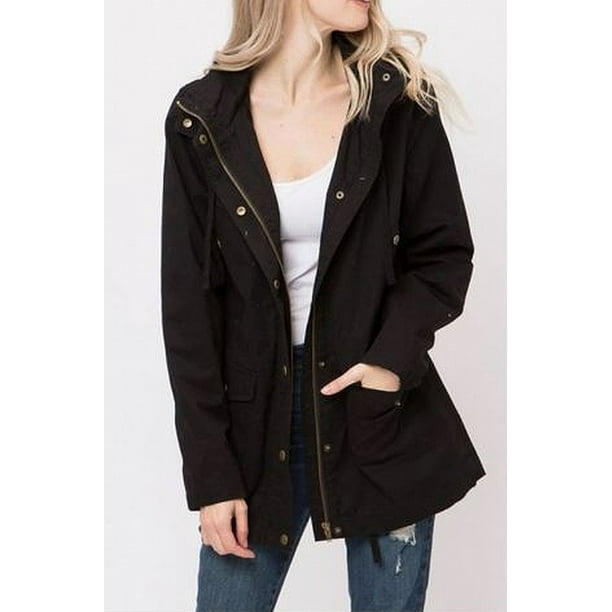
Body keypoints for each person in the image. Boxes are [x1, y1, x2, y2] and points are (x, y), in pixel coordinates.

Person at [160, 1, 486, 611]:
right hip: (255, 423)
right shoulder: (200, 117)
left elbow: (443, 255)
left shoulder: (397, 102)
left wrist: (389, 363)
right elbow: (188, 311)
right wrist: (210, 475)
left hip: (374, 410)